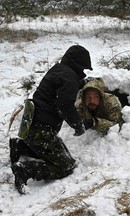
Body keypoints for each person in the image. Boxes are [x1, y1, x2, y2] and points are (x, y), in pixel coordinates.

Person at [9, 45, 93, 194]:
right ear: (78, 64)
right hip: (42, 131)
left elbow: (61, 87)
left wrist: (80, 83)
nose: (83, 71)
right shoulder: (69, 77)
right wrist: (78, 125)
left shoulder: (59, 69)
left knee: (62, 156)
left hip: (32, 126)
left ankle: (20, 146)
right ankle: (25, 170)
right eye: (84, 67)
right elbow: (64, 106)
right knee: (66, 166)